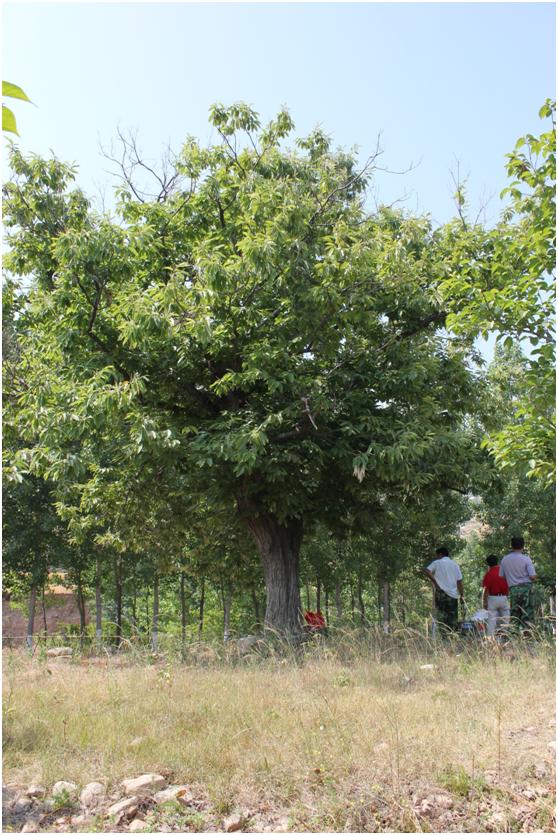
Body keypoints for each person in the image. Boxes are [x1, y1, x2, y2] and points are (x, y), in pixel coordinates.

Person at [499, 537, 537, 630]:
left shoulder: (505, 559)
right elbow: (532, 576)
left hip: (513, 589)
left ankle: (514, 637)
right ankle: (528, 635)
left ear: (511, 546)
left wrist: (512, 577)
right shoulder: (526, 559)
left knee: (515, 614)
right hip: (526, 589)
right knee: (527, 614)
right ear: (523, 546)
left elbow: (501, 576)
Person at [425, 547, 464, 634]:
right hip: (453, 594)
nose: (436, 557)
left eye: (437, 555)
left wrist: (435, 581)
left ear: (440, 554)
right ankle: (452, 635)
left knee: (441, 615)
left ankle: (443, 636)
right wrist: (462, 595)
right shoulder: (455, 564)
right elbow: (459, 582)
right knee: (452, 616)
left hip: (441, 592)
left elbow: (427, 571)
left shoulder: (437, 562)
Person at [482, 554, 510, 638]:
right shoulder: (504, 572)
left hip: (493, 598)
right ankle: (505, 637)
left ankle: (490, 639)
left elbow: (486, 589)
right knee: (506, 619)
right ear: (497, 561)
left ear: (488, 564)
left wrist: (484, 602)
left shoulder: (489, 573)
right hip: (504, 597)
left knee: (491, 620)